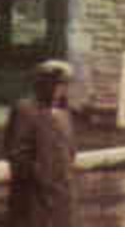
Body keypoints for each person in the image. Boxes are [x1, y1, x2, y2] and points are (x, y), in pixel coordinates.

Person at [4, 59, 77, 226]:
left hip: (61, 193)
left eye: (65, 85)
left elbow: (70, 148)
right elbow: (16, 152)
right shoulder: (26, 110)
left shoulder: (63, 113)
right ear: (43, 84)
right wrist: (37, 175)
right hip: (33, 194)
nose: (61, 90)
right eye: (57, 84)